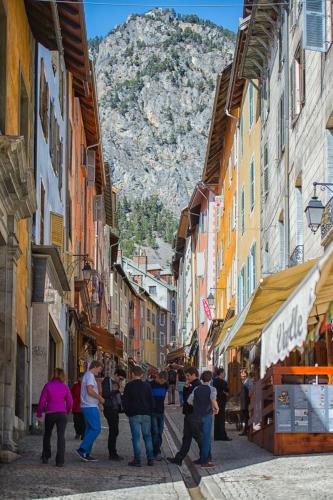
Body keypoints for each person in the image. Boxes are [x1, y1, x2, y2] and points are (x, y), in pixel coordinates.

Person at [37, 368, 73, 467]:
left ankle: (45, 456)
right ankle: (60, 460)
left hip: (50, 412)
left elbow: (42, 401)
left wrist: (39, 413)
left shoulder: (48, 385)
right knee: (61, 436)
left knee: (47, 434)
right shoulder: (65, 387)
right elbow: (70, 401)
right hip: (62, 413)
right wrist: (67, 410)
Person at [167, 366, 202, 466]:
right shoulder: (191, 384)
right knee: (187, 437)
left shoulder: (196, 385)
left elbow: (189, 400)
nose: (186, 378)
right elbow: (186, 398)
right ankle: (179, 458)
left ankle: (205, 456)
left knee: (198, 437)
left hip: (193, 415)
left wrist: (186, 388)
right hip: (189, 415)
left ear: (194, 375)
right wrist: (186, 387)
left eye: (188, 376)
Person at [123, 365, 154, 467]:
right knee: (148, 436)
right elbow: (151, 400)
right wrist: (150, 411)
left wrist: (127, 412)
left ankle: (137, 460)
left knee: (136, 437)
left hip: (134, 414)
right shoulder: (147, 385)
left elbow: (125, 401)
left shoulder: (129, 386)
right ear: (141, 374)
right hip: (146, 414)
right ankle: (150, 459)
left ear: (132, 374)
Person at [187, 370, 219, 468]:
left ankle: (205, 458)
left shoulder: (196, 388)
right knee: (206, 439)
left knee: (201, 438)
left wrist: (197, 406)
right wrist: (217, 408)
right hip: (206, 416)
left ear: (201, 378)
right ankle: (204, 462)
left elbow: (189, 401)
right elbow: (213, 400)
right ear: (210, 379)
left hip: (196, 416)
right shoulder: (212, 389)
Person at [76, 360, 104, 462]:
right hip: (90, 406)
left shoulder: (88, 376)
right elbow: (90, 390)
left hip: (88, 406)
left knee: (89, 430)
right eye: (100, 369)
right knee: (96, 429)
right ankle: (82, 449)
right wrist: (100, 398)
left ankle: (86, 453)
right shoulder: (90, 376)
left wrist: (98, 402)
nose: (100, 371)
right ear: (95, 366)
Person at [101, 367, 126, 461]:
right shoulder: (107, 381)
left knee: (115, 431)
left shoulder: (116, 383)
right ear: (115, 375)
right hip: (109, 409)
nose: (121, 381)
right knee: (114, 430)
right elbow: (106, 394)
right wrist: (117, 391)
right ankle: (112, 453)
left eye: (122, 380)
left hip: (115, 409)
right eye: (120, 378)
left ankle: (113, 452)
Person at [150, 371, 168, 460]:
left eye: (164, 381)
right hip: (152, 412)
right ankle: (156, 452)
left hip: (161, 412)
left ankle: (156, 449)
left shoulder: (166, 385)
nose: (162, 383)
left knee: (160, 433)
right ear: (158, 377)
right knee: (155, 432)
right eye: (162, 380)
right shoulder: (150, 385)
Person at [213, 368, 231, 441]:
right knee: (221, 419)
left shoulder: (215, 381)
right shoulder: (222, 382)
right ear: (221, 373)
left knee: (217, 419)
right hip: (221, 401)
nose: (225, 374)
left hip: (216, 401)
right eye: (224, 373)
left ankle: (217, 436)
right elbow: (227, 390)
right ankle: (223, 436)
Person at [239, 369, 251, 436]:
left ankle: (246, 430)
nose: (242, 377)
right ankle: (245, 430)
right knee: (244, 417)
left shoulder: (249, 381)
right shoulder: (242, 381)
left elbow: (251, 390)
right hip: (243, 401)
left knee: (246, 417)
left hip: (247, 401)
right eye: (241, 376)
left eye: (243, 376)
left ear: (246, 375)